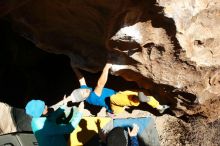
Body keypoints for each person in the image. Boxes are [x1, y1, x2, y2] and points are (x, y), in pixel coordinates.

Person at [70, 63, 169, 116]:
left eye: (82, 90)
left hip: (118, 95)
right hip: (114, 105)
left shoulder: (84, 91)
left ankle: (159, 107)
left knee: (134, 94)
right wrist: (106, 67)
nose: (85, 90)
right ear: (83, 98)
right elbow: (100, 84)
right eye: (83, 93)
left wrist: (73, 67)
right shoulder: (92, 97)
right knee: (118, 98)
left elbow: (81, 79)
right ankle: (138, 99)